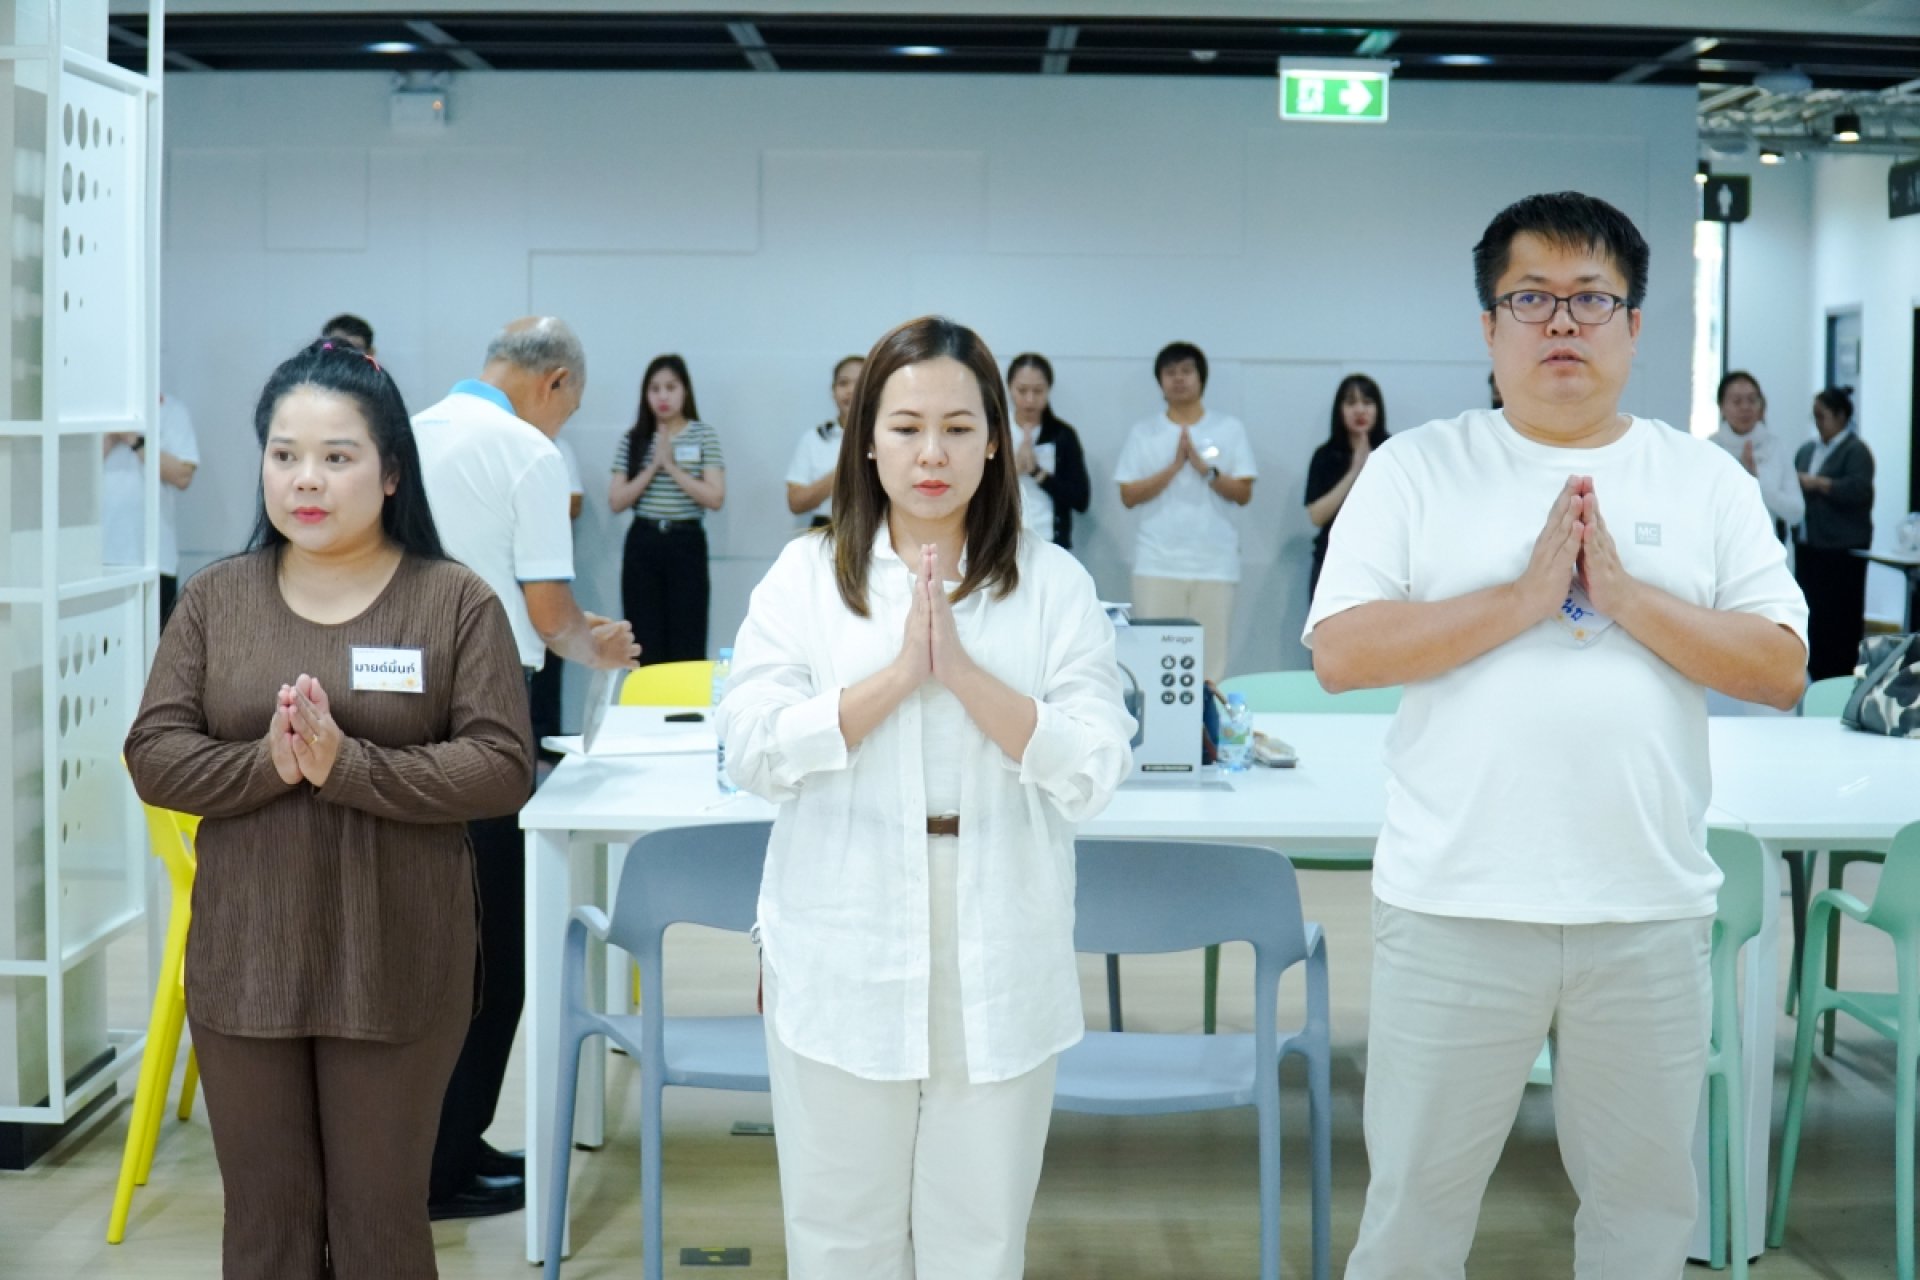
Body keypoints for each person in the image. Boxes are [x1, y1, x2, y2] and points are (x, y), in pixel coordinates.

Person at [1307, 192, 1807, 1280]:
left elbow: (1779, 669)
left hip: (1646, 907)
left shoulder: (1702, 479)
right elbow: (1341, 651)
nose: (1563, 322)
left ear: (1636, 324)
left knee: (1643, 1213)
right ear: (1489, 327)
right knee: (1415, 1211)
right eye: (1532, 299)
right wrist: (1523, 600)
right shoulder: (1418, 468)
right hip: (1456, 902)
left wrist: (1624, 596)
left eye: (1592, 298)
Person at [718, 315, 1133, 1280]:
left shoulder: (1054, 586)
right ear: (866, 440)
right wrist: (899, 677)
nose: (932, 453)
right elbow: (751, 750)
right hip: (841, 932)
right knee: (838, 1234)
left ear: (996, 441)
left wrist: (965, 675)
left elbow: (1096, 769)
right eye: (906, 428)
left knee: (979, 1240)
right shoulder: (806, 577)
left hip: (1002, 936)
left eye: (958, 427)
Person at [124, 341, 534, 1277]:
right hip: (248, 962)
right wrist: (269, 763)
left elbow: (501, 767)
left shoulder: (454, 601)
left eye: (337, 456)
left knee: (379, 1224)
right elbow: (154, 752)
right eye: (285, 454)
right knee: (264, 1226)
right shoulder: (216, 599)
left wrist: (349, 767)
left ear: (391, 473)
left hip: (398, 961)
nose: (306, 478)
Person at [411, 317, 641, 1219]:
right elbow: (550, 615)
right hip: (480, 706)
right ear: (553, 384)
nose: (561, 425)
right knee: (496, 954)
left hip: (392, 713)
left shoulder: (405, 432)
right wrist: (597, 645)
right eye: (567, 410)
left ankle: (448, 1145)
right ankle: (440, 1170)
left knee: (431, 956)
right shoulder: (527, 453)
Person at [1113, 341, 1257, 682]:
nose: (1179, 379)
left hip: (1215, 564)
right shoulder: (1144, 432)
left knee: (1210, 661)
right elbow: (1128, 495)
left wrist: (1205, 470)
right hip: (1156, 562)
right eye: (1170, 372)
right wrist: (1175, 467)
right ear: (1160, 381)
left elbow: (1244, 493)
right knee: (1154, 662)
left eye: (1186, 371)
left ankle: (1208, 717)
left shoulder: (1229, 429)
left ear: (1201, 378)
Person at [609, 354, 726, 663]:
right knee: (643, 637)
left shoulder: (703, 435)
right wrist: (652, 467)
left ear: (685, 391)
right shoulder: (633, 439)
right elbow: (617, 500)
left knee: (688, 636)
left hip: (686, 542)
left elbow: (715, 497)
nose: (663, 396)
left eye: (671, 388)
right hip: (643, 542)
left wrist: (671, 467)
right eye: (655, 389)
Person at [1794, 385, 1875, 680]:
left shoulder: (1856, 451)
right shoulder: (1808, 449)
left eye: (1822, 416)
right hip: (1810, 544)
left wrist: (1819, 483)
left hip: (1842, 549)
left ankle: (1839, 677)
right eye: (1814, 416)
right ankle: (1812, 672)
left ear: (1841, 416)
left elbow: (1859, 491)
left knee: (1840, 619)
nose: (1817, 422)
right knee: (1812, 614)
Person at [102, 393, 200, 626]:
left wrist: (135, 440)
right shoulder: (96, 410)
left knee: (160, 639)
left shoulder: (172, 411)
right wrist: (111, 436)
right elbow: (72, 468)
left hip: (155, 558)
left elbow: (183, 475)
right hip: (101, 559)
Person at [528, 428, 587, 758]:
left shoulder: (557, 447)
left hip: (546, 566)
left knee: (552, 650)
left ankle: (547, 741)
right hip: (503, 575)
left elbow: (574, 501)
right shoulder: (503, 443)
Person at [1303, 374, 1389, 594]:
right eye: (1351, 403)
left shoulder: (1393, 451)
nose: (1360, 410)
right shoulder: (1325, 455)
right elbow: (1316, 516)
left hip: (1382, 562)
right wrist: (1355, 470)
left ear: (1378, 409)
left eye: (1367, 402)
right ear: (1339, 410)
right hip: (1331, 561)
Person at [1006, 352, 1092, 551]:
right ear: (1009, 388)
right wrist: (1011, 470)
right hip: (1003, 542)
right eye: (1022, 390)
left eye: (1038, 391)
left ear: (1049, 390)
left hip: (1050, 543)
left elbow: (1081, 500)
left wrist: (1038, 473)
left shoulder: (1062, 435)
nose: (1030, 399)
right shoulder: (994, 431)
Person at [1707, 371, 1803, 538]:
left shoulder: (1776, 447)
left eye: (1752, 400)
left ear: (1761, 405)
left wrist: (1756, 481)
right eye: (1737, 401)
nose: (1745, 407)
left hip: (1766, 543)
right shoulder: (1710, 449)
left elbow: (1796, 512)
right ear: (1721, 407)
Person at [786, 355, 864, 529]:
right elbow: (796, 503)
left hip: (877, 528)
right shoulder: (814, 439)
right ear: (833, 391)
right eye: (843, 383)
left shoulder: (892, 437)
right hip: (826, 529)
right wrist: (845, 470)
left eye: (860, 383)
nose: (851, 390)